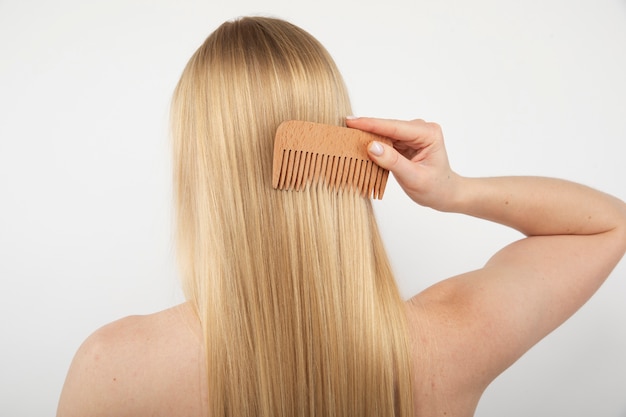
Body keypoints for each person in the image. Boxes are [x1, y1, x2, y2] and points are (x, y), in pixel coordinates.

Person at [56, 16, 626, 417]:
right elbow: (608, 222)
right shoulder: (449, 342)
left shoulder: (117, 368)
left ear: (199, 171)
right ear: (344, 146)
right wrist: (453, 190)